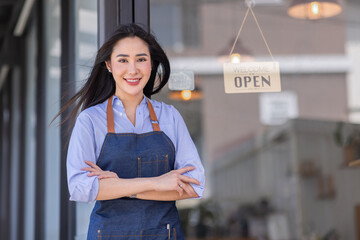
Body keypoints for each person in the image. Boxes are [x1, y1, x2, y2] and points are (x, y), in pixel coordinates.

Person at [56, 23, 205, 240]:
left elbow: (194, 184)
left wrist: (119, 186)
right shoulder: (90, 120)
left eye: (141, 59)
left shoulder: (169, 117)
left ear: (151, 63)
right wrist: (156, 182)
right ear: (108, 65)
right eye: (123, 60)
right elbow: (80, 187)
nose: (133, 69)